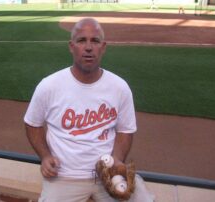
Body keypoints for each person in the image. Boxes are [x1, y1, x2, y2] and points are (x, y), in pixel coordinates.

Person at [24, 18, 154, 202]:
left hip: (106, 174)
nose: (88, 47)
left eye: (95, 41)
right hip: (64, 176)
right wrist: (45, 156)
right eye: (81, 40)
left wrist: (117, 160)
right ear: (71, 46)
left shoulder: (119, 87)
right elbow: (32, 124)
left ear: (103, 47)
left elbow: (125, 130)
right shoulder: (49, 86)